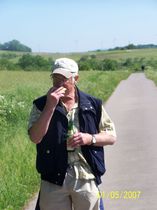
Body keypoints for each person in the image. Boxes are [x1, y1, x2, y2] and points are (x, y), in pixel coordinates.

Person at [28, 58, 117, 210]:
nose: (58, 83)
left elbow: (111, 137)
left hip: (85, 176)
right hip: (53, 177)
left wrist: (90, 138)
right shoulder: (41, 104)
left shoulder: (92, 104)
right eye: (55, 78)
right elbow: (35, 137)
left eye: (63, 78)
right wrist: (50, 106)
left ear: (75, 79)